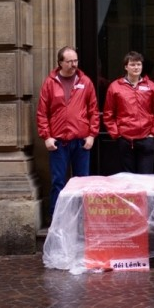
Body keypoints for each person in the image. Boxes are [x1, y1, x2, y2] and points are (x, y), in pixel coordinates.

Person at [36, 46, 100, 218]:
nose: (74, 64)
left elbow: (93, 111)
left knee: (82, 183)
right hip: (58, 142)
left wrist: (92, 135)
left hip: (81, 141)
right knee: (58, 182)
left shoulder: (85, 81)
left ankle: (82, 221)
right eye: (70, 61)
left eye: (76, 61)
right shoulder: (50, 83)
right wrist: (47, 137)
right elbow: (42, 112)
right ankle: (57, 220)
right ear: (60, 62)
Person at [103, 51, 154, 174]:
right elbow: (108, 113)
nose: (136, 67)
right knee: (128, 179)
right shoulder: (115, 87)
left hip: (146, 138)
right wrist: (117, 134)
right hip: (125, 139)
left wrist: (153, 133)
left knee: (145, 178)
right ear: (126, 67)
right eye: (132, 64)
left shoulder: (151, 86)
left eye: (138, 64)